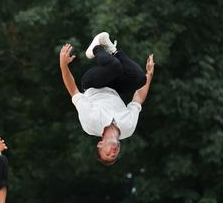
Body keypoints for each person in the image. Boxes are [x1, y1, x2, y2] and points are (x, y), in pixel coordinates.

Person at [58, 33, 155, 165]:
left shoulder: (90, 124)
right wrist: (149, 74)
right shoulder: (128, 128)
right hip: (114, 87)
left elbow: (74, 91)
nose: (113, 152)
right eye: (114, 156)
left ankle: (95, 47)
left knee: (114, 67)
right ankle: (113, 50)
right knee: (140, 79)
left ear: (100, 144)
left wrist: (63, 65)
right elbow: (138, 99)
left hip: (93, 84)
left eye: (107, 153)